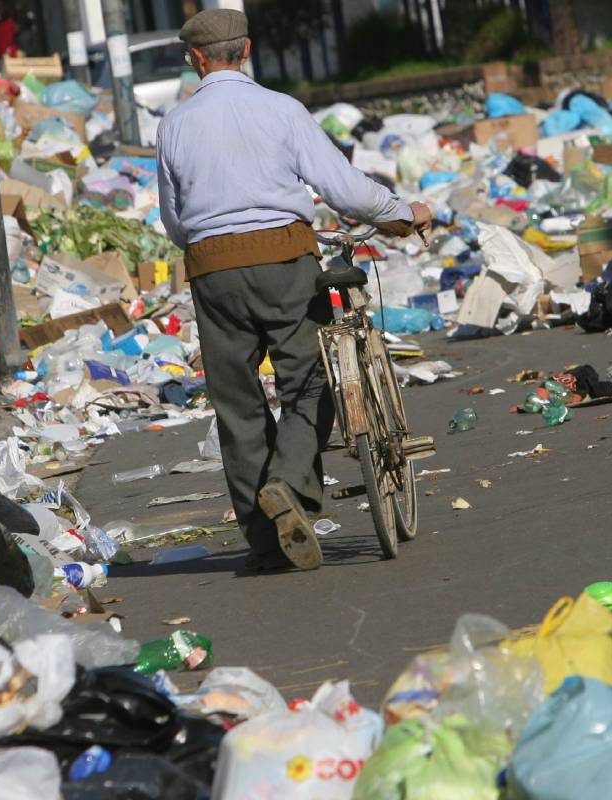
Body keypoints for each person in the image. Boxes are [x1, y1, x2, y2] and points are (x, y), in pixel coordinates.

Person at [156, 9, 431, 574]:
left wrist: (215, 241)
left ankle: (265, 540)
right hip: (285, 258)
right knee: (310, 380)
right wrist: (402, 215)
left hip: (211, 269)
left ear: (196, 59)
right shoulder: (283, 110)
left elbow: (175, 220)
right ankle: (288, 486)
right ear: (248, 50)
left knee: (237, 401)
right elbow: (345, 189)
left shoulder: (175, 125)